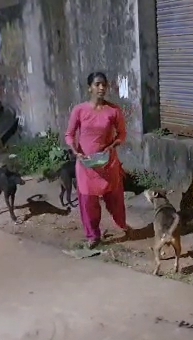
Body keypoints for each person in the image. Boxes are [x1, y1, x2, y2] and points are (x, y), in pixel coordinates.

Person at [65, 72, 131, 248]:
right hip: (86, 165)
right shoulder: (79, 110)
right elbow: (69, 135)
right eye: (97, 84)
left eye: (104, 85)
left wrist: (113, 146)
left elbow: (122, 134)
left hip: (107, 163)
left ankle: (122, 225)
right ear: (90, 88)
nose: (101, 88)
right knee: (88, 202)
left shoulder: (114, 110)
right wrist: (75, 151)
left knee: (115, 199)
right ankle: (93, 235)